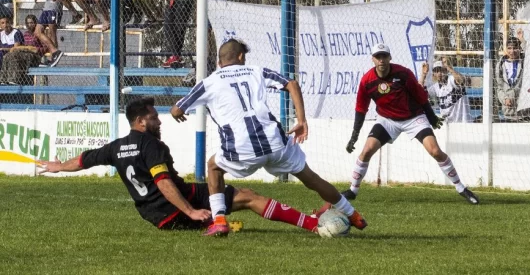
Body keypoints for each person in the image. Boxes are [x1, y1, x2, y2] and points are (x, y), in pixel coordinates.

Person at [170, 39, 367, 236]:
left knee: (213, 167)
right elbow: (292, 84)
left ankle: (219, 220)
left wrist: (178, 113)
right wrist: (301, 121)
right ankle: (353, 214)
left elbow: (177, 109)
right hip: (276, 143)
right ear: (241, 57)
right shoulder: (256, 71)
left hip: (241, 149)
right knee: (311, 178)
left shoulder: (209, 82)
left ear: (219, 62)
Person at [37, 97, 321, 234]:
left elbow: (85, 159)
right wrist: (190, 210)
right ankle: (311, 224)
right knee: (247, 196)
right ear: (140, 122)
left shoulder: (116, 147)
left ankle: (214, 220)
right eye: (153, 118)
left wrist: (59, 166)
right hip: (175, 207)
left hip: (153, 215)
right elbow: (163, 182)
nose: (159, 121)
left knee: (219, 193)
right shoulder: (151, 145)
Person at [343, 43, 480, 204]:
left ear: (390, 58)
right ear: (372, 59)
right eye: (378, 57)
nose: (381, 60)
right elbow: (361, 109)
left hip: (414, 118)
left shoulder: (403, 74)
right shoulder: (367, 81)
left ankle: (461, 188)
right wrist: (354, 136)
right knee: (366, 151)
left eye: (384, 56)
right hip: (387, 120)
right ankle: (353, 190)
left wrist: (431, 117)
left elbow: (420, 96)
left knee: (435, 151)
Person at [419, 57, 473, 123]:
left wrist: (449, 67)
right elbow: (419, 92)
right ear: (434, 74)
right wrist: (423, 75)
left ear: (446, 71)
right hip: (447, 125)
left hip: (463, 123)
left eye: (441, 70)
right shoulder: (435, 88)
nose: (439, 73)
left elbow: (461, 80)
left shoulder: (451, 79)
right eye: (436, 71)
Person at [495, 33, 530, 122]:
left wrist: (522, 40)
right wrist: (505, 100)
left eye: (515, 48)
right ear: (506, 49)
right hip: (509, 113)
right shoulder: (501, 64)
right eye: (509, 48)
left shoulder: (525, 62)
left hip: (525, 112)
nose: (512, 51)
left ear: (520, 49)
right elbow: (499, 87)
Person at [0, 15, 46, 85]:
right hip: (26, 53)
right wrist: (26, 48)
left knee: (14, 55)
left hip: (35, 56)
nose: (29, 25)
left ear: (36, 23)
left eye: (31, 23)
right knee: (7, 56)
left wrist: (34, 49)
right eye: (27, 23)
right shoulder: (26, 34)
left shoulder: (40, 34)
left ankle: (14, 79)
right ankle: (3, 79)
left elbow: (45, 47)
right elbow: (24, 46)